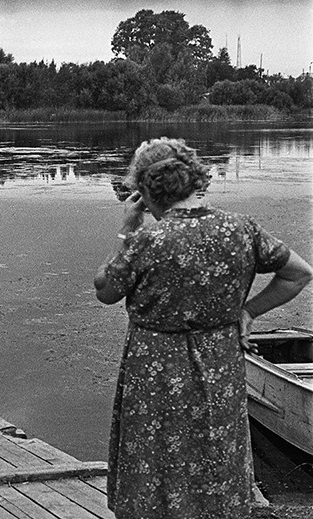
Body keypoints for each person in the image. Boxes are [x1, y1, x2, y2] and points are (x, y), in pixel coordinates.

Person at [93, 137, 313, 519]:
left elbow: (106, 290)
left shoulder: (146, 240)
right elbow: (298, 274)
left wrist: (126, 229)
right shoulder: (240, 229)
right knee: (216, 448)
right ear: (195, 179)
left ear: (146, 190)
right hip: (220, 363)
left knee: (154, 452)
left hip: (155, 369)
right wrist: (247, 312)